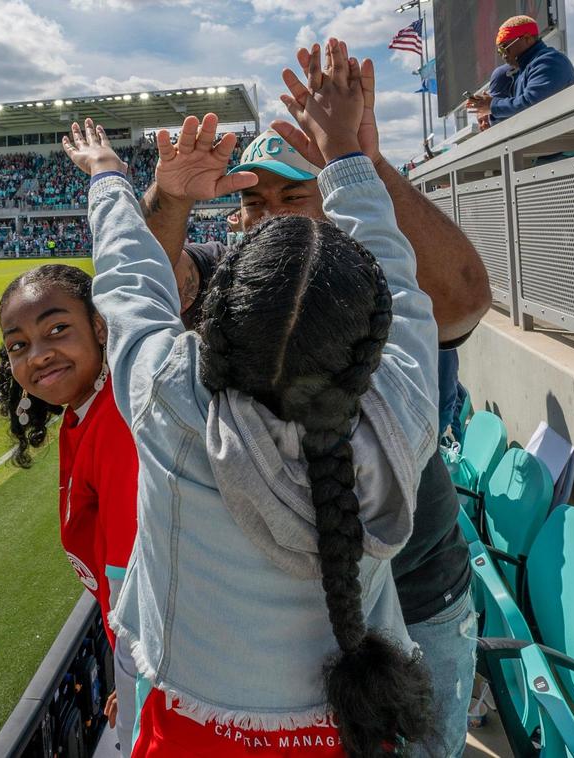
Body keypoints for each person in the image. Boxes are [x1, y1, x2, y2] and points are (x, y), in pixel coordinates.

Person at [66, 38, 437, 757]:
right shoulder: (403, 406)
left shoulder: (173, 399)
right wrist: (346, 155)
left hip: (193, 732)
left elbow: (128, 284)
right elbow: (399, 276)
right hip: (356, 730)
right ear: (369, 331)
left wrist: (110, 176)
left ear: (219, 314)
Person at [143, 52, 487, 758]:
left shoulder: (374, 287)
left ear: (334, 197)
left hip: (415, 604)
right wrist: (172, 201)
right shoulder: (241, 292)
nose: (264, 218)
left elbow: (464, 297)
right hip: (282, 638)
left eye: (291, 198)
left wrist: (361, 161)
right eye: (252, 200)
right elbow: (150, 291)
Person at [0, 265, 140, 755]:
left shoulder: (117, 421)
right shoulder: (85, 413)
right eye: (18, 345)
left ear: (100, 326)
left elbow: (136, 584)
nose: (38, 355)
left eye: (58, 330)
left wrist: (141, 684)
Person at [465, 15, 574, 125]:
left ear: (527, 39)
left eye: (505, 48)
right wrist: (489, 114)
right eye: (499, 52)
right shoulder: (522, 71)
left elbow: (532, 105)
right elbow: (518, 115)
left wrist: (492, 106)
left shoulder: (549, 61)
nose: (503, 56)